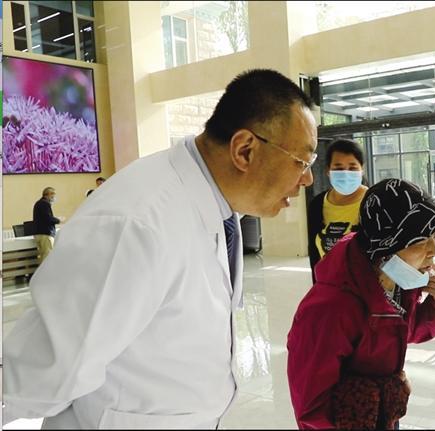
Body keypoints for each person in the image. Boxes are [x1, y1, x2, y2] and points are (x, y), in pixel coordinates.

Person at [2, 69, 318, 429]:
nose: (307, 179)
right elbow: (35, 375)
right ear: (244, 150)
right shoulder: (137, 223)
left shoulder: (218, 208)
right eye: (302, 162)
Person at [287, 178, 435, 429]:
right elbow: (312, 405)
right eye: (419, 241)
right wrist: (385, 392)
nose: (433, 250)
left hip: (382, 416)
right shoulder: (331, 307)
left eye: (434, 235)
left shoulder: (396, 282)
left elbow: (406, 331)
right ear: (386, 246)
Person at [307, 139, 367, 281]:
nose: (345, 173)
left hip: (365, 285)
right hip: (330, 284)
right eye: (338, 168)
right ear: (328, 171)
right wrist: (318, 285)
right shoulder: (317, 204)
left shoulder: (373, 201)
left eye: (352, 168)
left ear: (362, 170)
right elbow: (314, 254)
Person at [31, 187, 61, 262]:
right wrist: (58, 220)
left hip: (39, 233)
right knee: (48, 258)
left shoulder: (39, 203)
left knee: (42, 258)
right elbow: (48, 218)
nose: (54, 197)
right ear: (48, 194)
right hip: (45, 234)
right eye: (53, 194)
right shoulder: (45, 203)